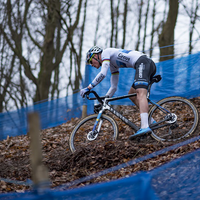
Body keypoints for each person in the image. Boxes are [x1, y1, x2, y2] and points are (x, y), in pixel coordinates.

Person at [80, 46, 156, 138]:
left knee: (140, 93)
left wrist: (88, 87)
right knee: (132, 95)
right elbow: (114, 87)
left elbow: (103, 73)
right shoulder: (113, 65)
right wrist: (104, 101)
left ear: (96, 55)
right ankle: (151, 121)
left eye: (91, 61)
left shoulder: (106, 53)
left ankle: (145, 126)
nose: (91, 65)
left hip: (143, 62)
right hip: (143, 64)